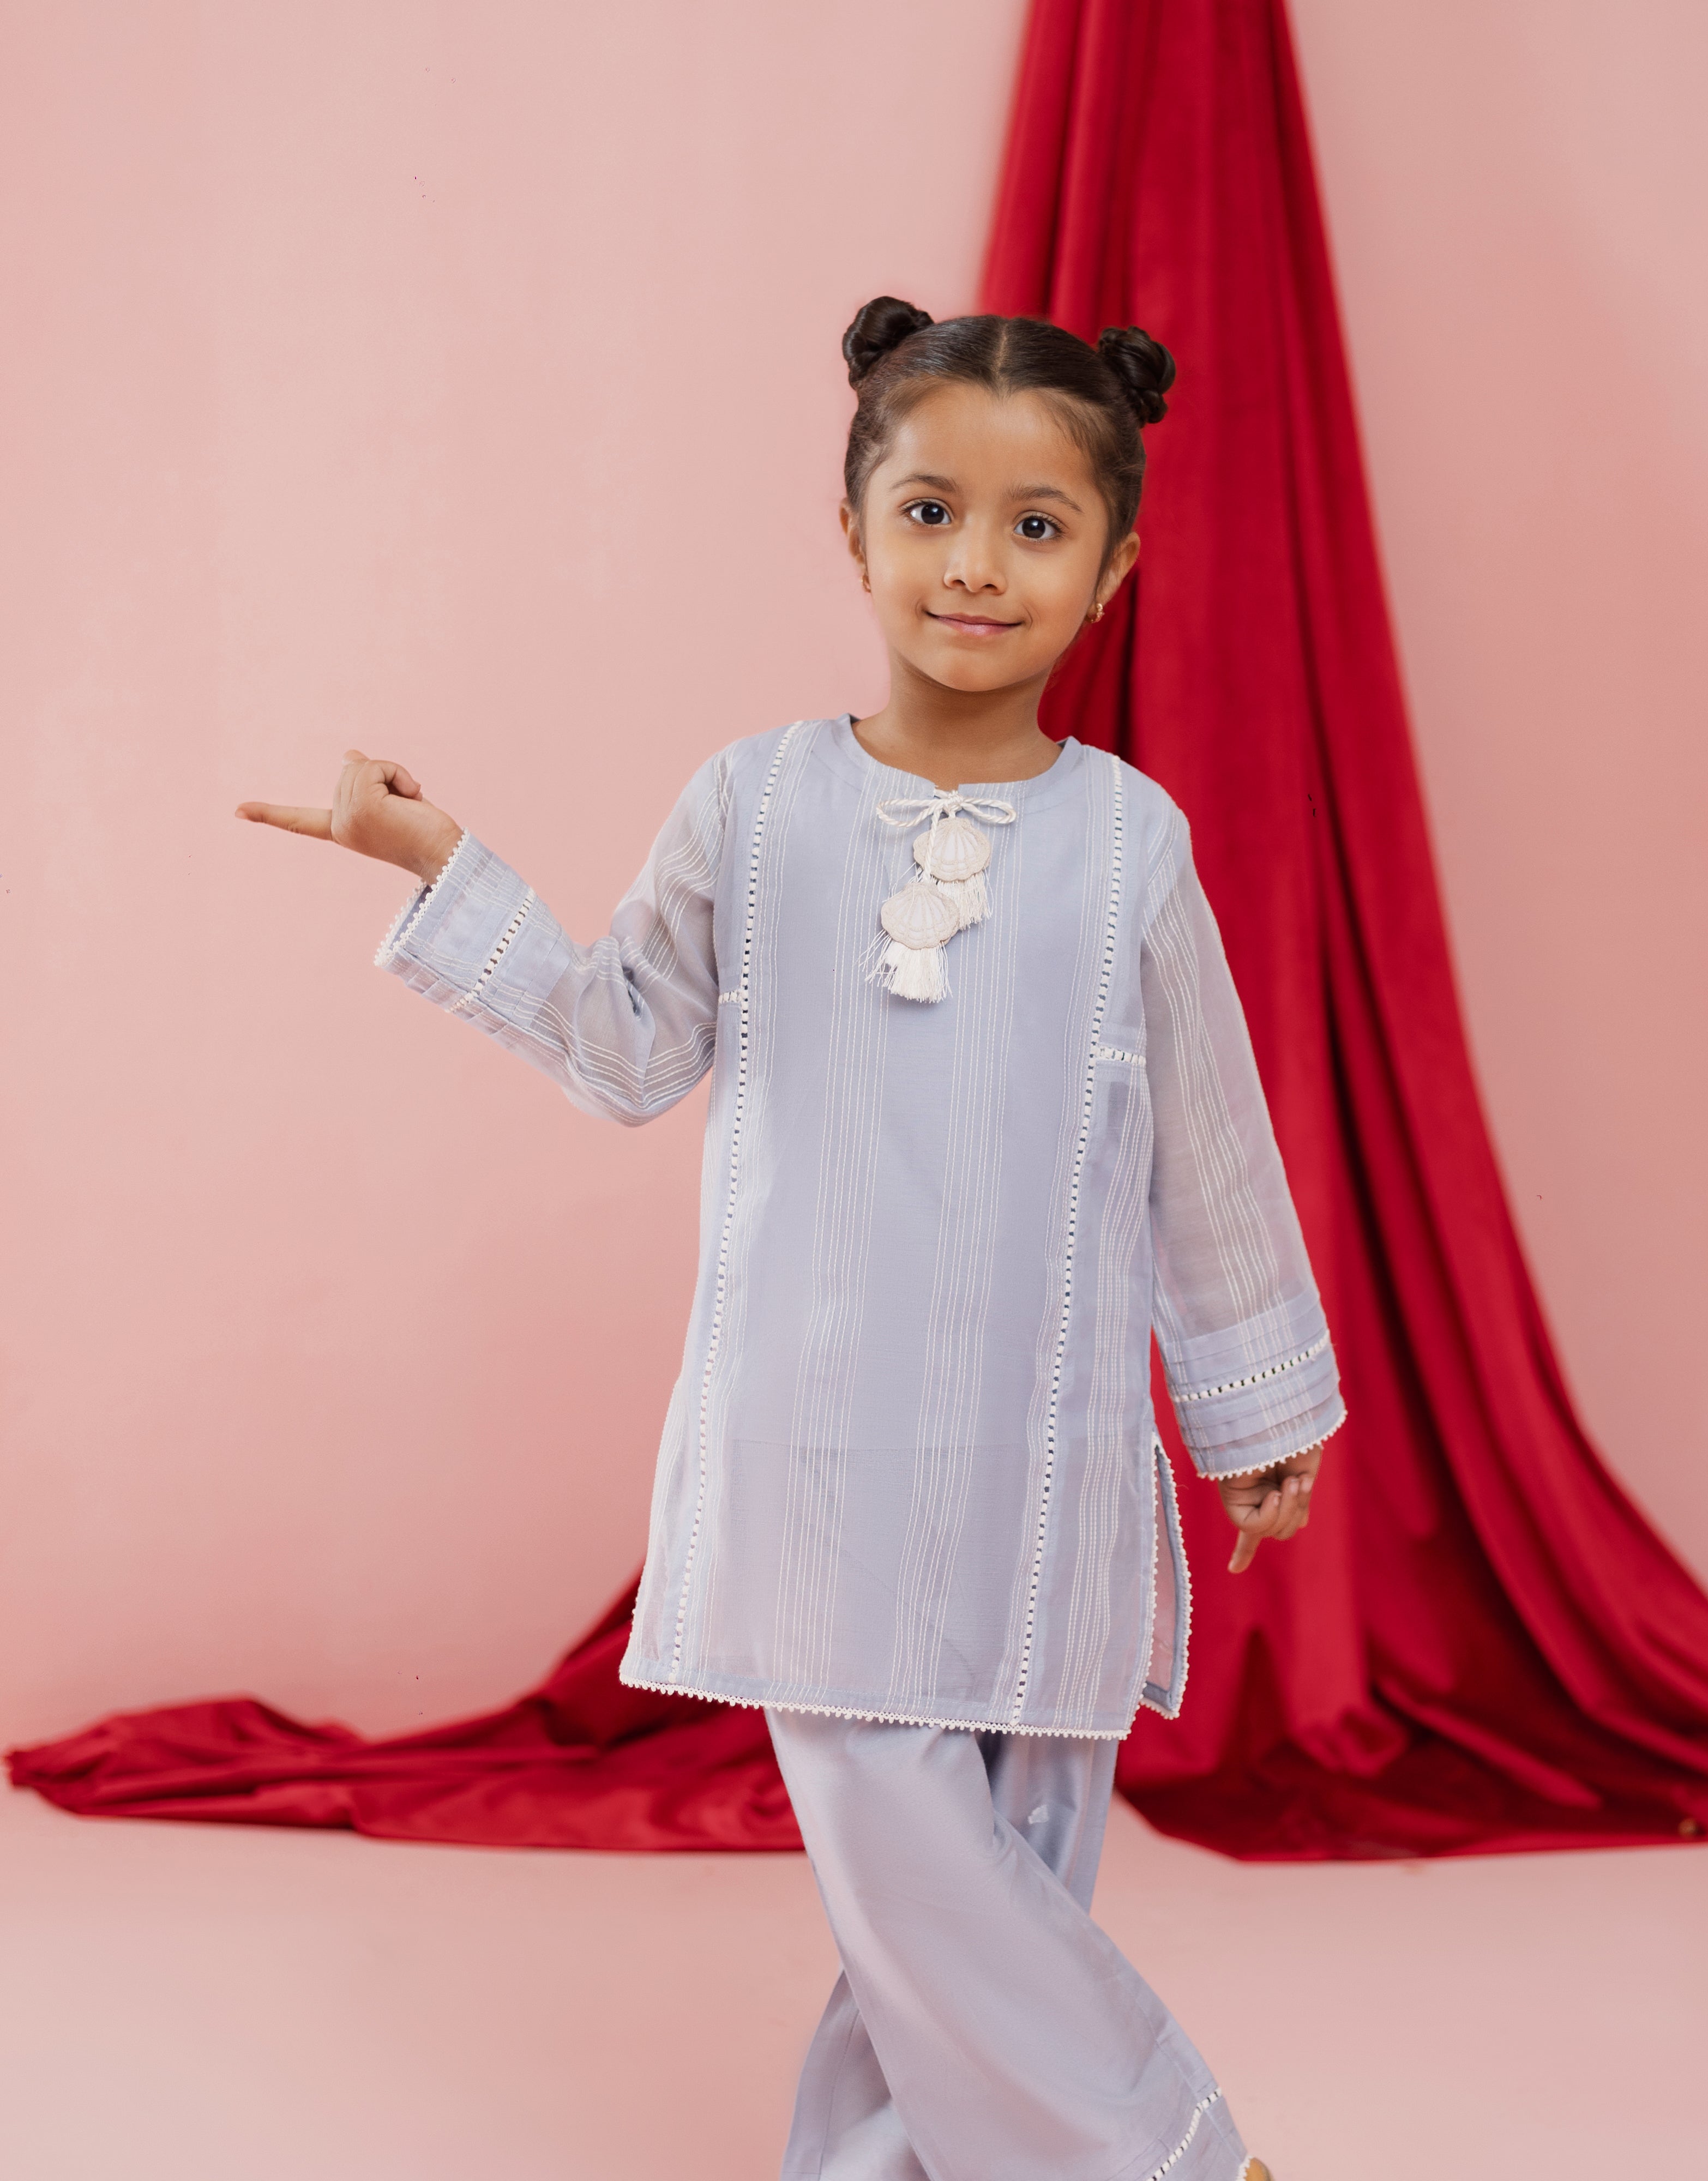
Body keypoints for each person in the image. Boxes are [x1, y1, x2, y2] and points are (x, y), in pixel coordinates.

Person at [239, 297, 1339, 2181]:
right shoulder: (755, 809)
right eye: (930, 512)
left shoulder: (1131, 846)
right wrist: (440, 867)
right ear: (852, 530)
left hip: (1045, 1468)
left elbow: (1211, 1149)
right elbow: (622, 1047)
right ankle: (1173, 2160)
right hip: (817, 1461)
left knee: (983, 1895)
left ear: (1114, 568)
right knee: (910, 1861)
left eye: (1036, 526)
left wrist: (1257, 1412)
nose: (975, 565)